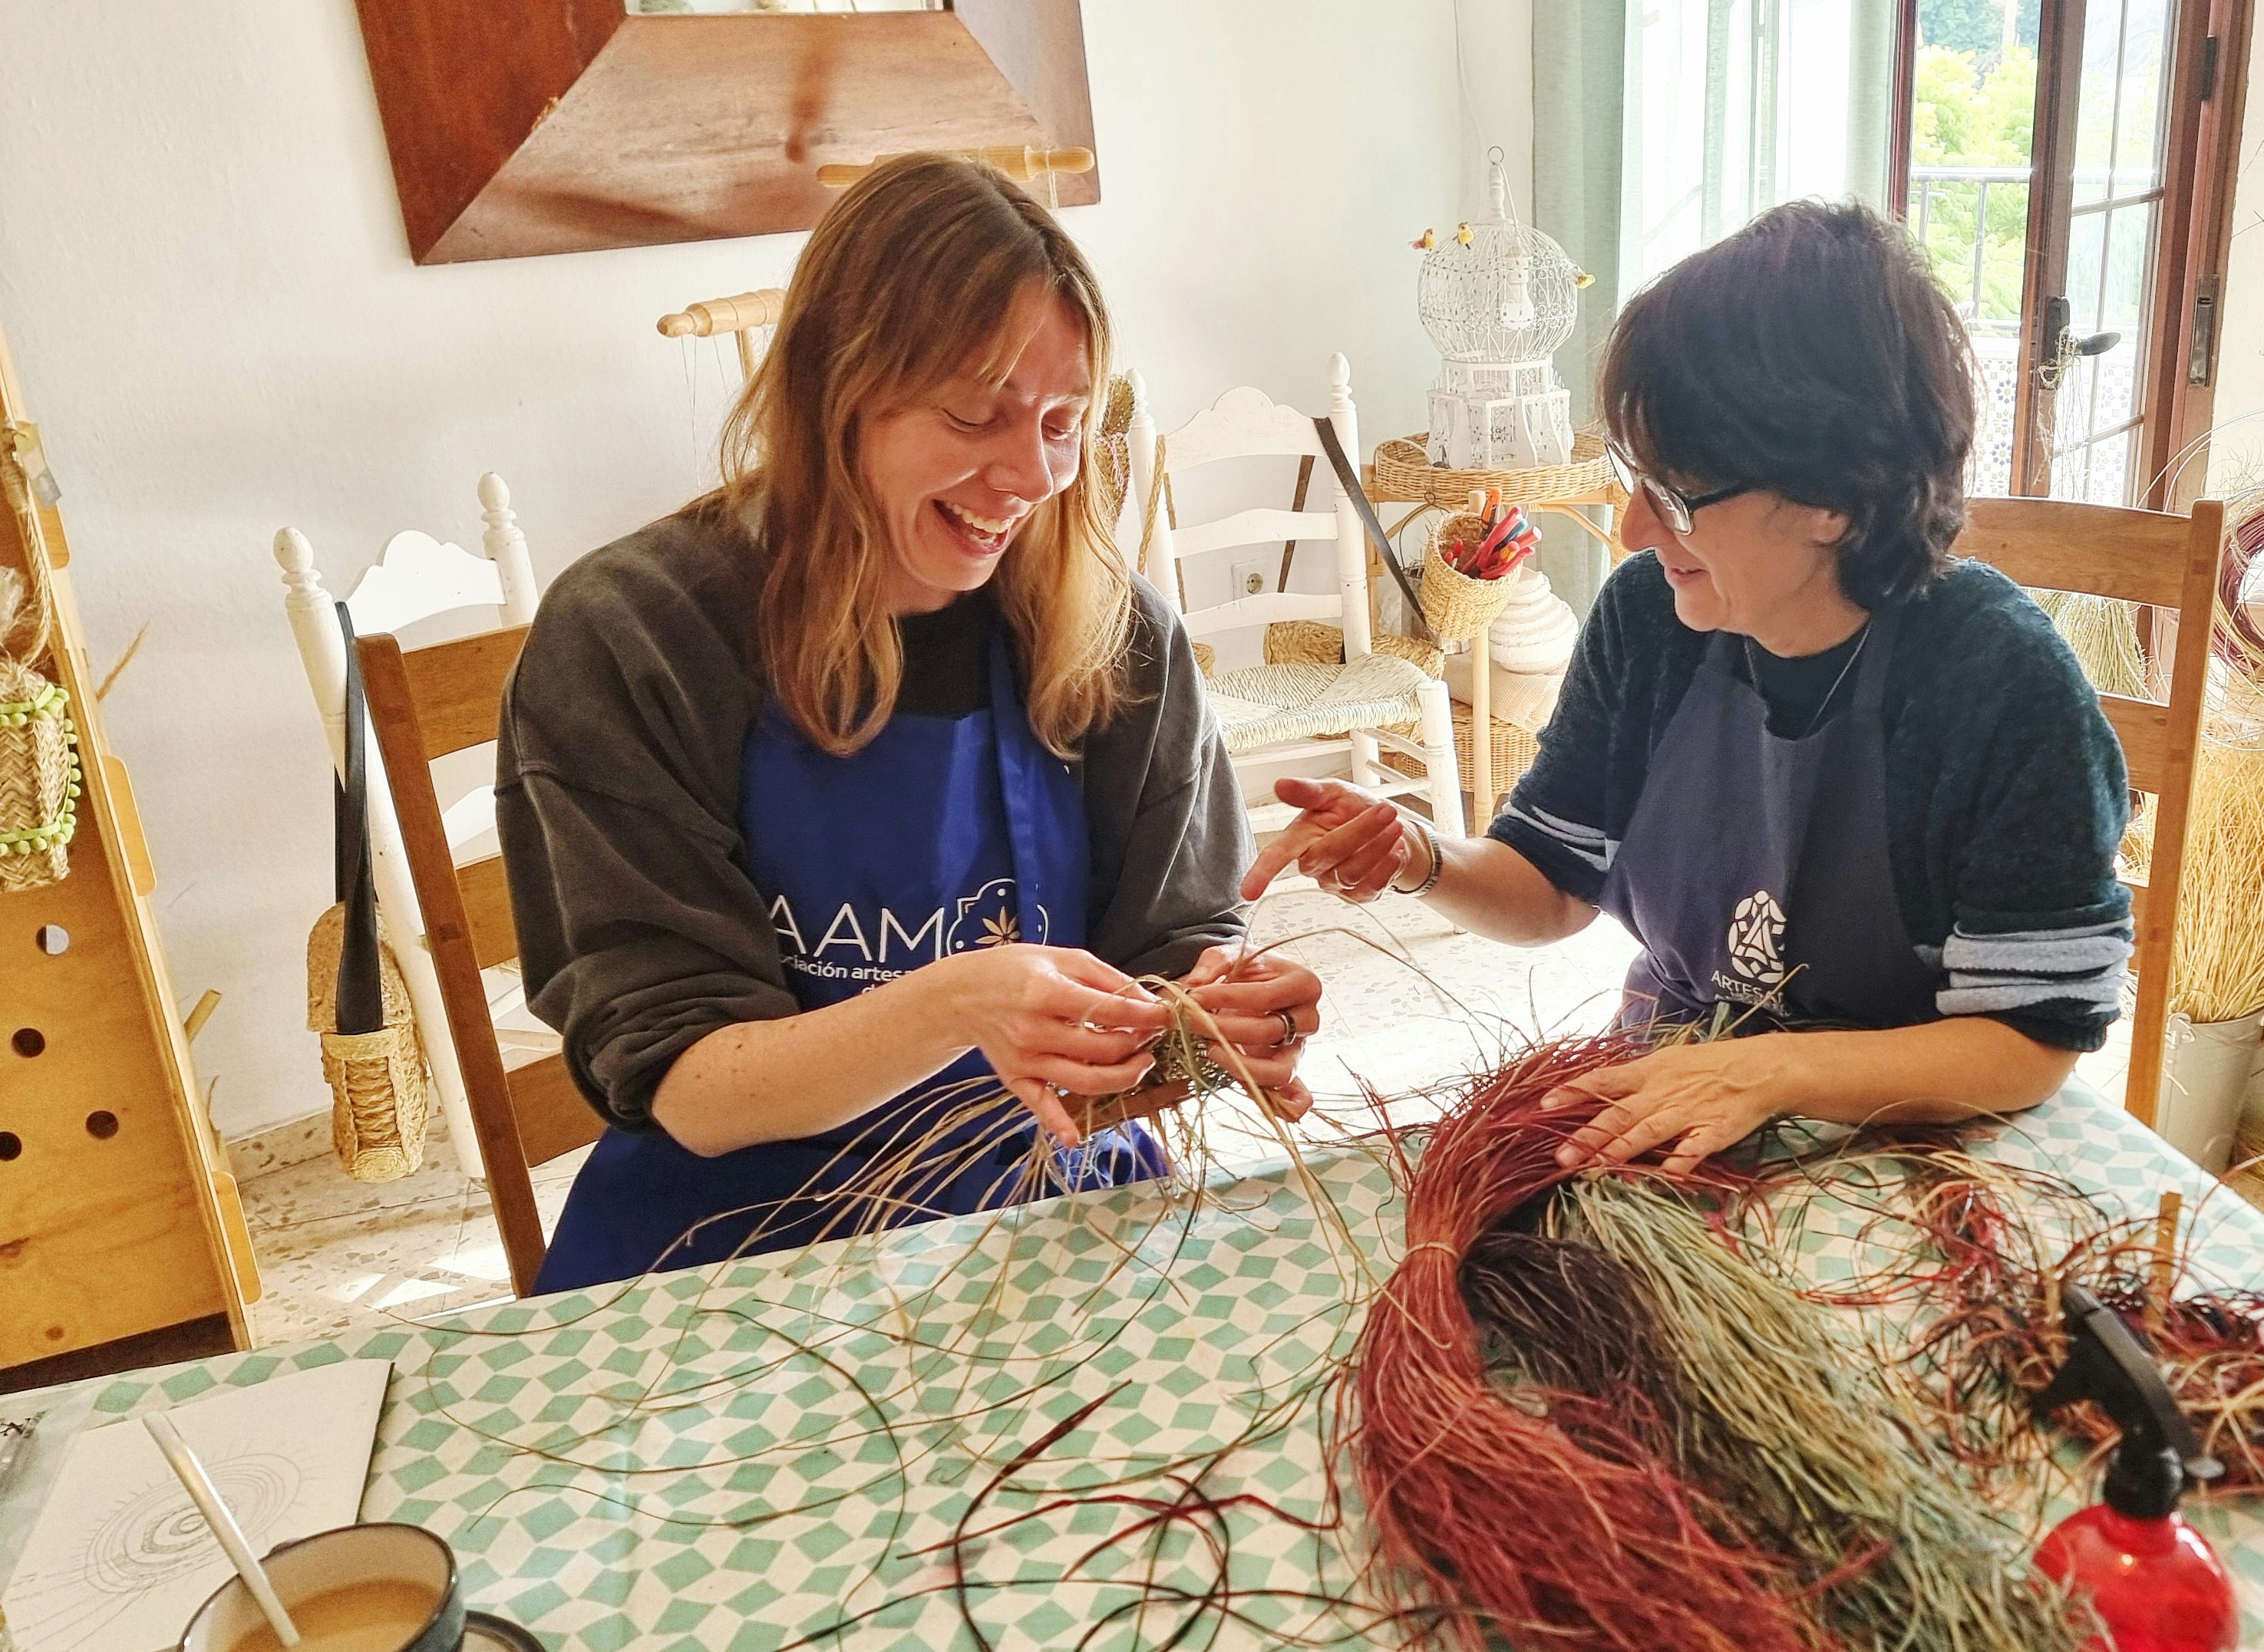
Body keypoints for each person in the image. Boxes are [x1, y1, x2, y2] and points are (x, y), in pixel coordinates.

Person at [499, 156, 1321, 1293]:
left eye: (1064, 422)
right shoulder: (636, 636)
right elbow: (689, 1084)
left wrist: (1215, 1020)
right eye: (975, 414)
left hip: (1044, 1201)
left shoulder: (1116, 635)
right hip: (726, 1238)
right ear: (832, 388)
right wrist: (960, 1000)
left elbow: (1165, 968)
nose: (1029, 473)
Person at [1243, 199, 2128, 1176]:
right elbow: (1550, 884)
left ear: (1835, 497)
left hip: (1911, 1138)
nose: (1632, 529)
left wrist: (1772, 1072)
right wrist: (1419, 855)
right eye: (1637, 478)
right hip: (1675, 1095)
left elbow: (2031, 1037)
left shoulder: (1997, 679)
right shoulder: (1649, 619)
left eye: (1673, 494)